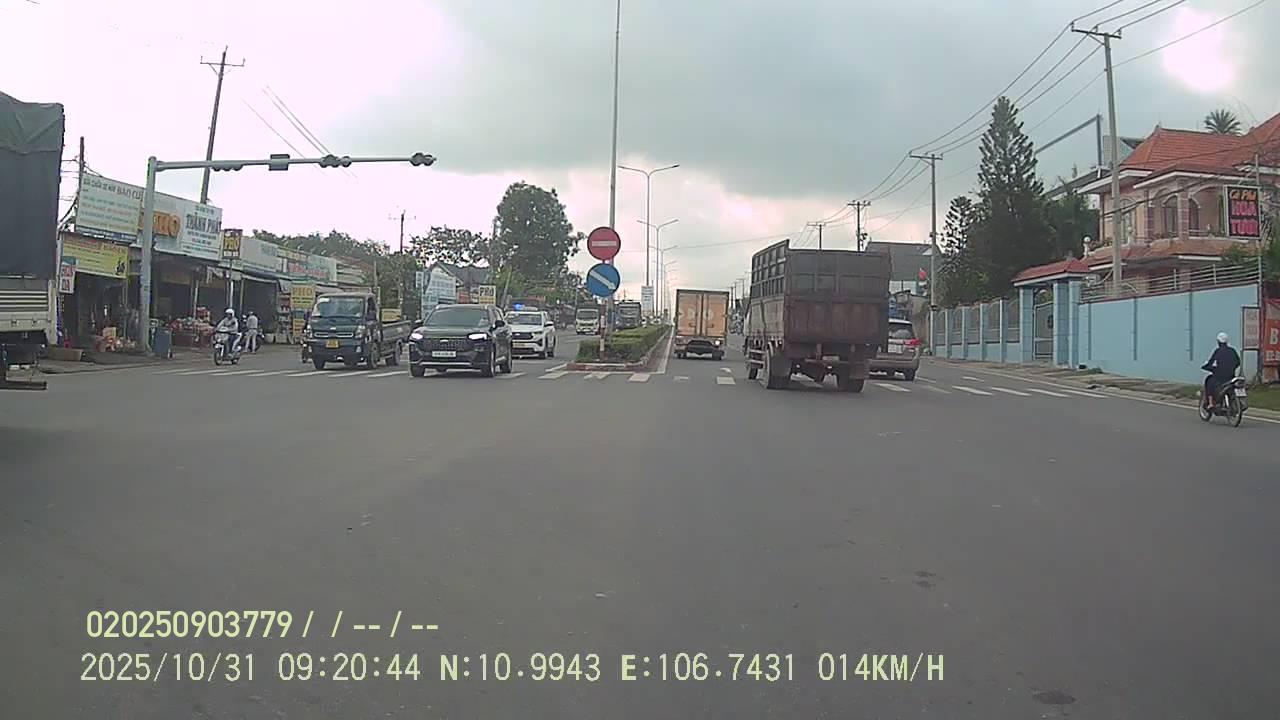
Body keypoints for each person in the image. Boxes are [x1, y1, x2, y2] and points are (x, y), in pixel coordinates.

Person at [1201, 332, 1241, 409]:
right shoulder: (1232, 350)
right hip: (1231, 376)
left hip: (1220, 377)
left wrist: (1206, 367)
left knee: (1209, 381)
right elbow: (1238, 362)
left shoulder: (1218, 351)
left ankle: (1211, 403)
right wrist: (1232, 368)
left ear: (1218, 342)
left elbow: (1211, 362)